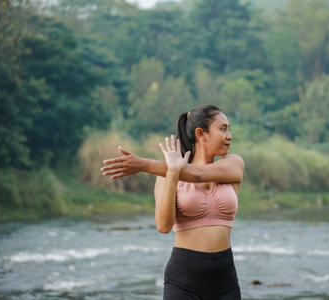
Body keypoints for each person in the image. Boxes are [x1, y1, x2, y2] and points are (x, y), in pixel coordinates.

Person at [101, 105, 244, 300]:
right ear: (201, 134)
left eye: (229, 129)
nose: (229, 136)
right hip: (184, 280)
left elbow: (199, 174)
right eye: (223, 129)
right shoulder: (166, 176)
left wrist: (144, 165)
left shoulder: (233, 164)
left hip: (225, 280)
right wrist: (172, 173)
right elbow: (163, 226)